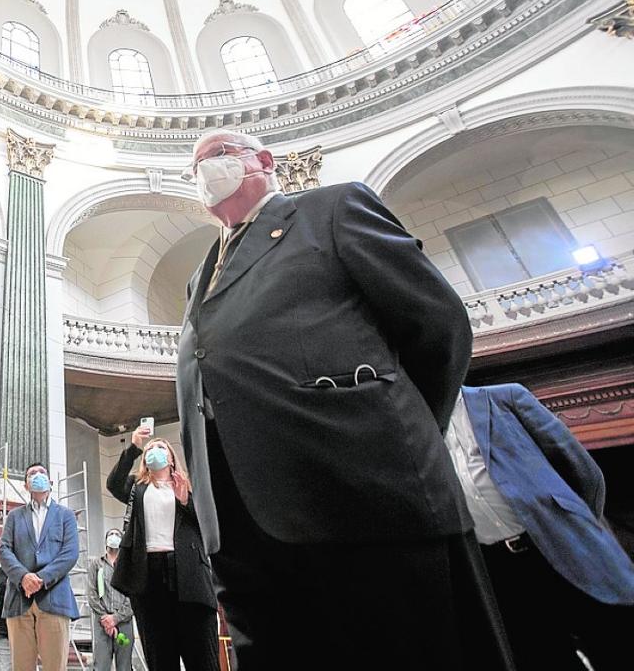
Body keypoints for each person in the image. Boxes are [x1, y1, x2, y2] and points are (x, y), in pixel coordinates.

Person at [174, 129, 514, 670]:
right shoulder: (200, 275)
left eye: (217, 155)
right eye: (194, 166)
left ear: (263, 160)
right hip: (242, 522)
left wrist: (388, 428)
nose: (205, 171)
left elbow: (436, 323)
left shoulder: (331, 208)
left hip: (360, 490)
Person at [446, 383, 634, 671]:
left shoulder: (506, 398)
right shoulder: (423, 433)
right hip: (501, 569)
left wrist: (573, 525)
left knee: (613, 641)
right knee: (544, 656)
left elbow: (581, 469)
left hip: (557, 544)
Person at [106, 430, 218, 670]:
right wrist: (134, 447)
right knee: (160, 657)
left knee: (202, 656)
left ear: (171, 457)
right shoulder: (137, 489)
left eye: (161, 447)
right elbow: (113, 483)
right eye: (151, 449)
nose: (155, 450)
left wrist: (185, 500)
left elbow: (209, 523)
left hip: (189, 575)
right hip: (149, 577)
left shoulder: (190, 488)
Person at [0, 463, 81, 671]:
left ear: (50, 482)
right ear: (26, 485)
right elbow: (4, 550)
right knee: (21, 666)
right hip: (19, 599)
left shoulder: (65, 515)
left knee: (55, 666)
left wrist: (41, 578)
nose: (37, 476)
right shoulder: (14, 516)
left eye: (41, 473)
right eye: (31, 474)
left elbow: (69, 554)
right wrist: (23, 577)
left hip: (54, 598)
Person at [86, 528, 135, 671]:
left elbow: (133, 596)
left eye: (117, 535)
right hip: (102, 623)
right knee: (101, 665)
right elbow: (92, 594)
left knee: (124, 666)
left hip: (124, 622)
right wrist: (106, 619)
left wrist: (117, 618)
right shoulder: (96, 564)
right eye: (111, 534)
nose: (114, 537)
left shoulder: (128, 566)